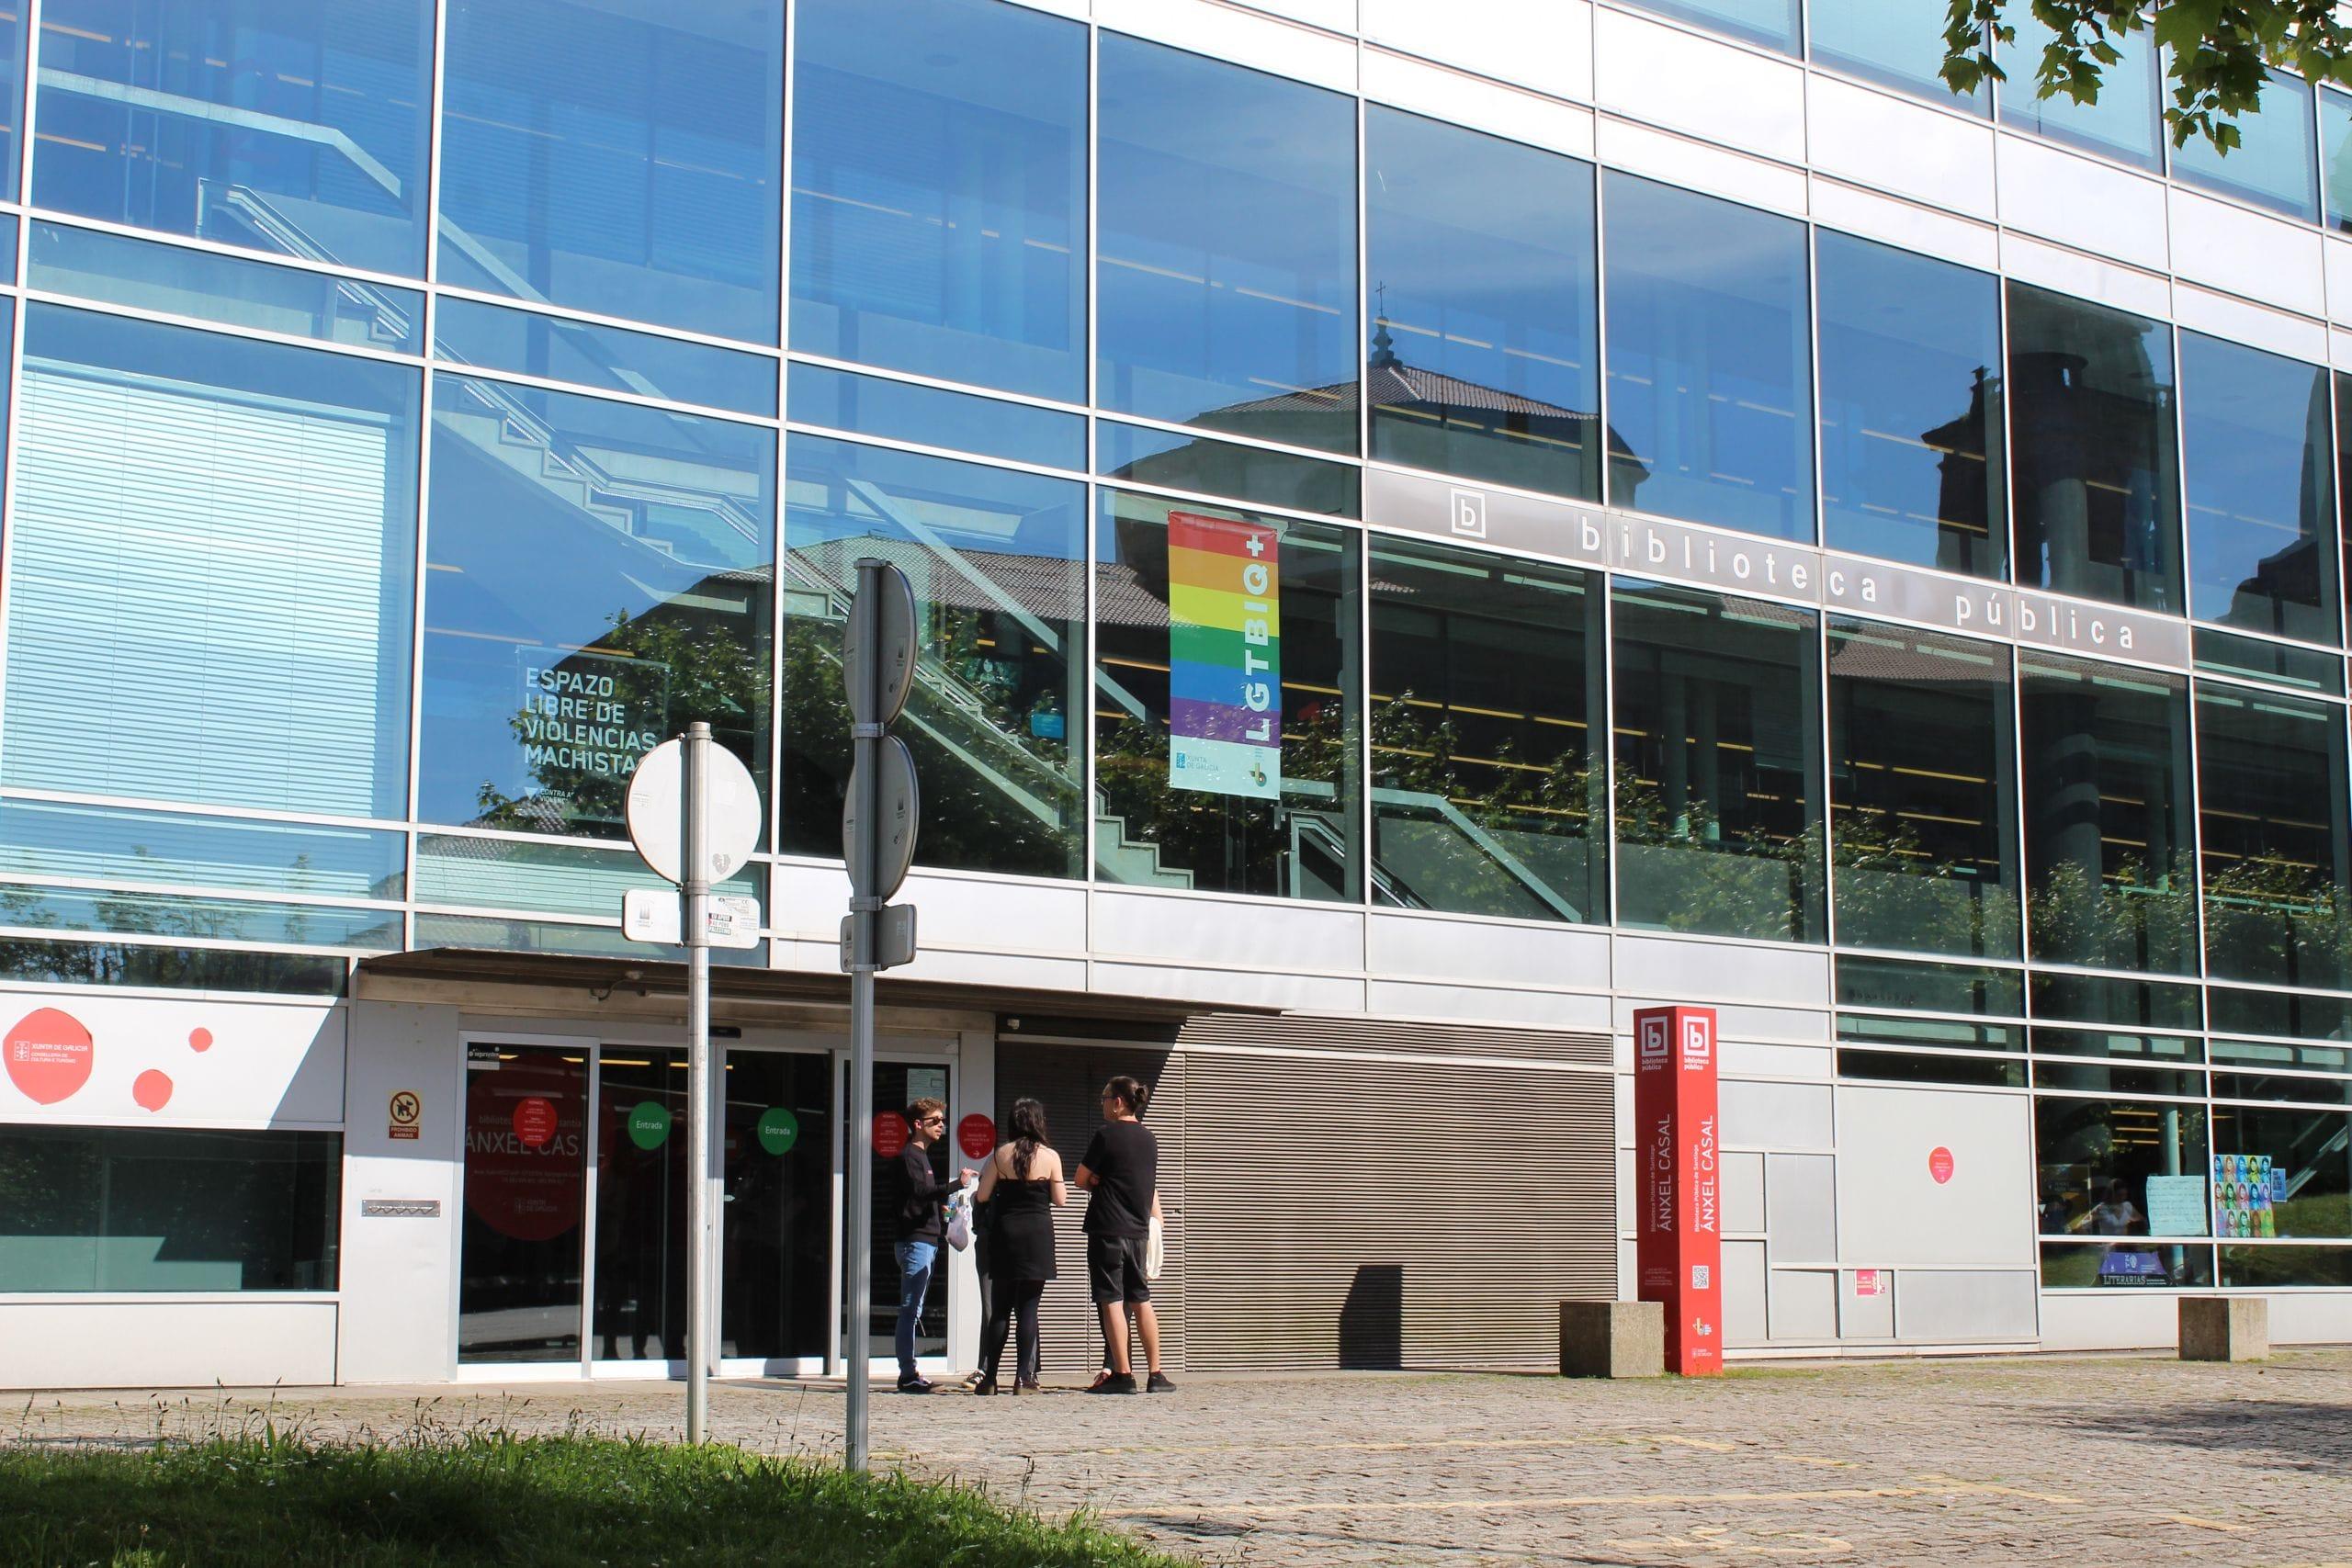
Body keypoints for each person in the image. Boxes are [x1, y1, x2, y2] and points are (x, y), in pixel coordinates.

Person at [1074, 1074, 1173, 1394]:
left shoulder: (1106, 1135)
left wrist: (1097, 1180)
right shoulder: (1150, 1139)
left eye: (1105, 1098)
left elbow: (1080, 1178)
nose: (1102, 1104)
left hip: (1107, 1228)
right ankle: (1156, 1374)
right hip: (1137, 1230)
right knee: (1141, 1299)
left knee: (1112, 1301)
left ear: (1117, 1102)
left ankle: (1123, 1373)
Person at [972, 1098, 1065, 1395]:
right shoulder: (1050, 1156)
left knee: (1000, 1309)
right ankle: (1023, 1378)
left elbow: (982, 1195)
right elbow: (1061, 1199)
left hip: (1006, 1234)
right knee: (1028, 1308)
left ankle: (990, 1379)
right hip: (1037, 1236)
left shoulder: (1001, 1154)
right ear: (1039, 1122)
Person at [893, 1097, 975, 1393]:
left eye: (943, 1120)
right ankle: (907, 1374)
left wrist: (943, 1212)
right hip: (915, 1241)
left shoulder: (922, 1156)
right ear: (918, 1124)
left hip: (925, 1240)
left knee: (914, 1307)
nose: (941, 1125)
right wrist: (957, 1184)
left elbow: (921, 1197)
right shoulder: (910, 1155)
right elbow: (920, 1191)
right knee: (910, 1309)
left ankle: (910, 1372)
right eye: (935, 1120)